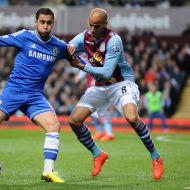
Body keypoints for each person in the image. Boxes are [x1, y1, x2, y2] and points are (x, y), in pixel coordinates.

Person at [0, 7, 75, 183]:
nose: (45, 26)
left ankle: (48, 171)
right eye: (42, 22)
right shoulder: (24, 36)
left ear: (53, 24)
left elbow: (76, 58)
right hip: (14, 91)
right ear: (36, 23)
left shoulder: (59, 46)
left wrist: (95, 68)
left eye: (49, 23)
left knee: (54, 126)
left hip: (35, 96)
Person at [67, 8, 163, 179]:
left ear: (106, 24)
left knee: (132, 118)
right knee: (74, 121)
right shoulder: (85, 36)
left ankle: (155, 156)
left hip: (121, 82)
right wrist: (70, 48)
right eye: (91, 25)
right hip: (100, 86)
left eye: (97, 26)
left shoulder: (114, 40)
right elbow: (70, 46)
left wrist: (81, 65)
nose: (93, 29)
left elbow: (106, 72)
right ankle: (98, 154)